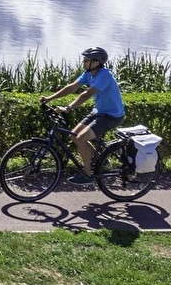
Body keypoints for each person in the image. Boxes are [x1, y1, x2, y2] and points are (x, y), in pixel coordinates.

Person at [41, 46, 125, 184]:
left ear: (96, 62)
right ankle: (101, 159)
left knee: (81, 139)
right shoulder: (88, 74)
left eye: (86, 60)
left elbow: (86, 94)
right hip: (99, 111)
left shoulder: (105, 75)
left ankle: (87, 175)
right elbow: (72, 87)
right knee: (73, 135)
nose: (83, 62)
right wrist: (49, 98)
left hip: (112, 115)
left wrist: (68, 108)